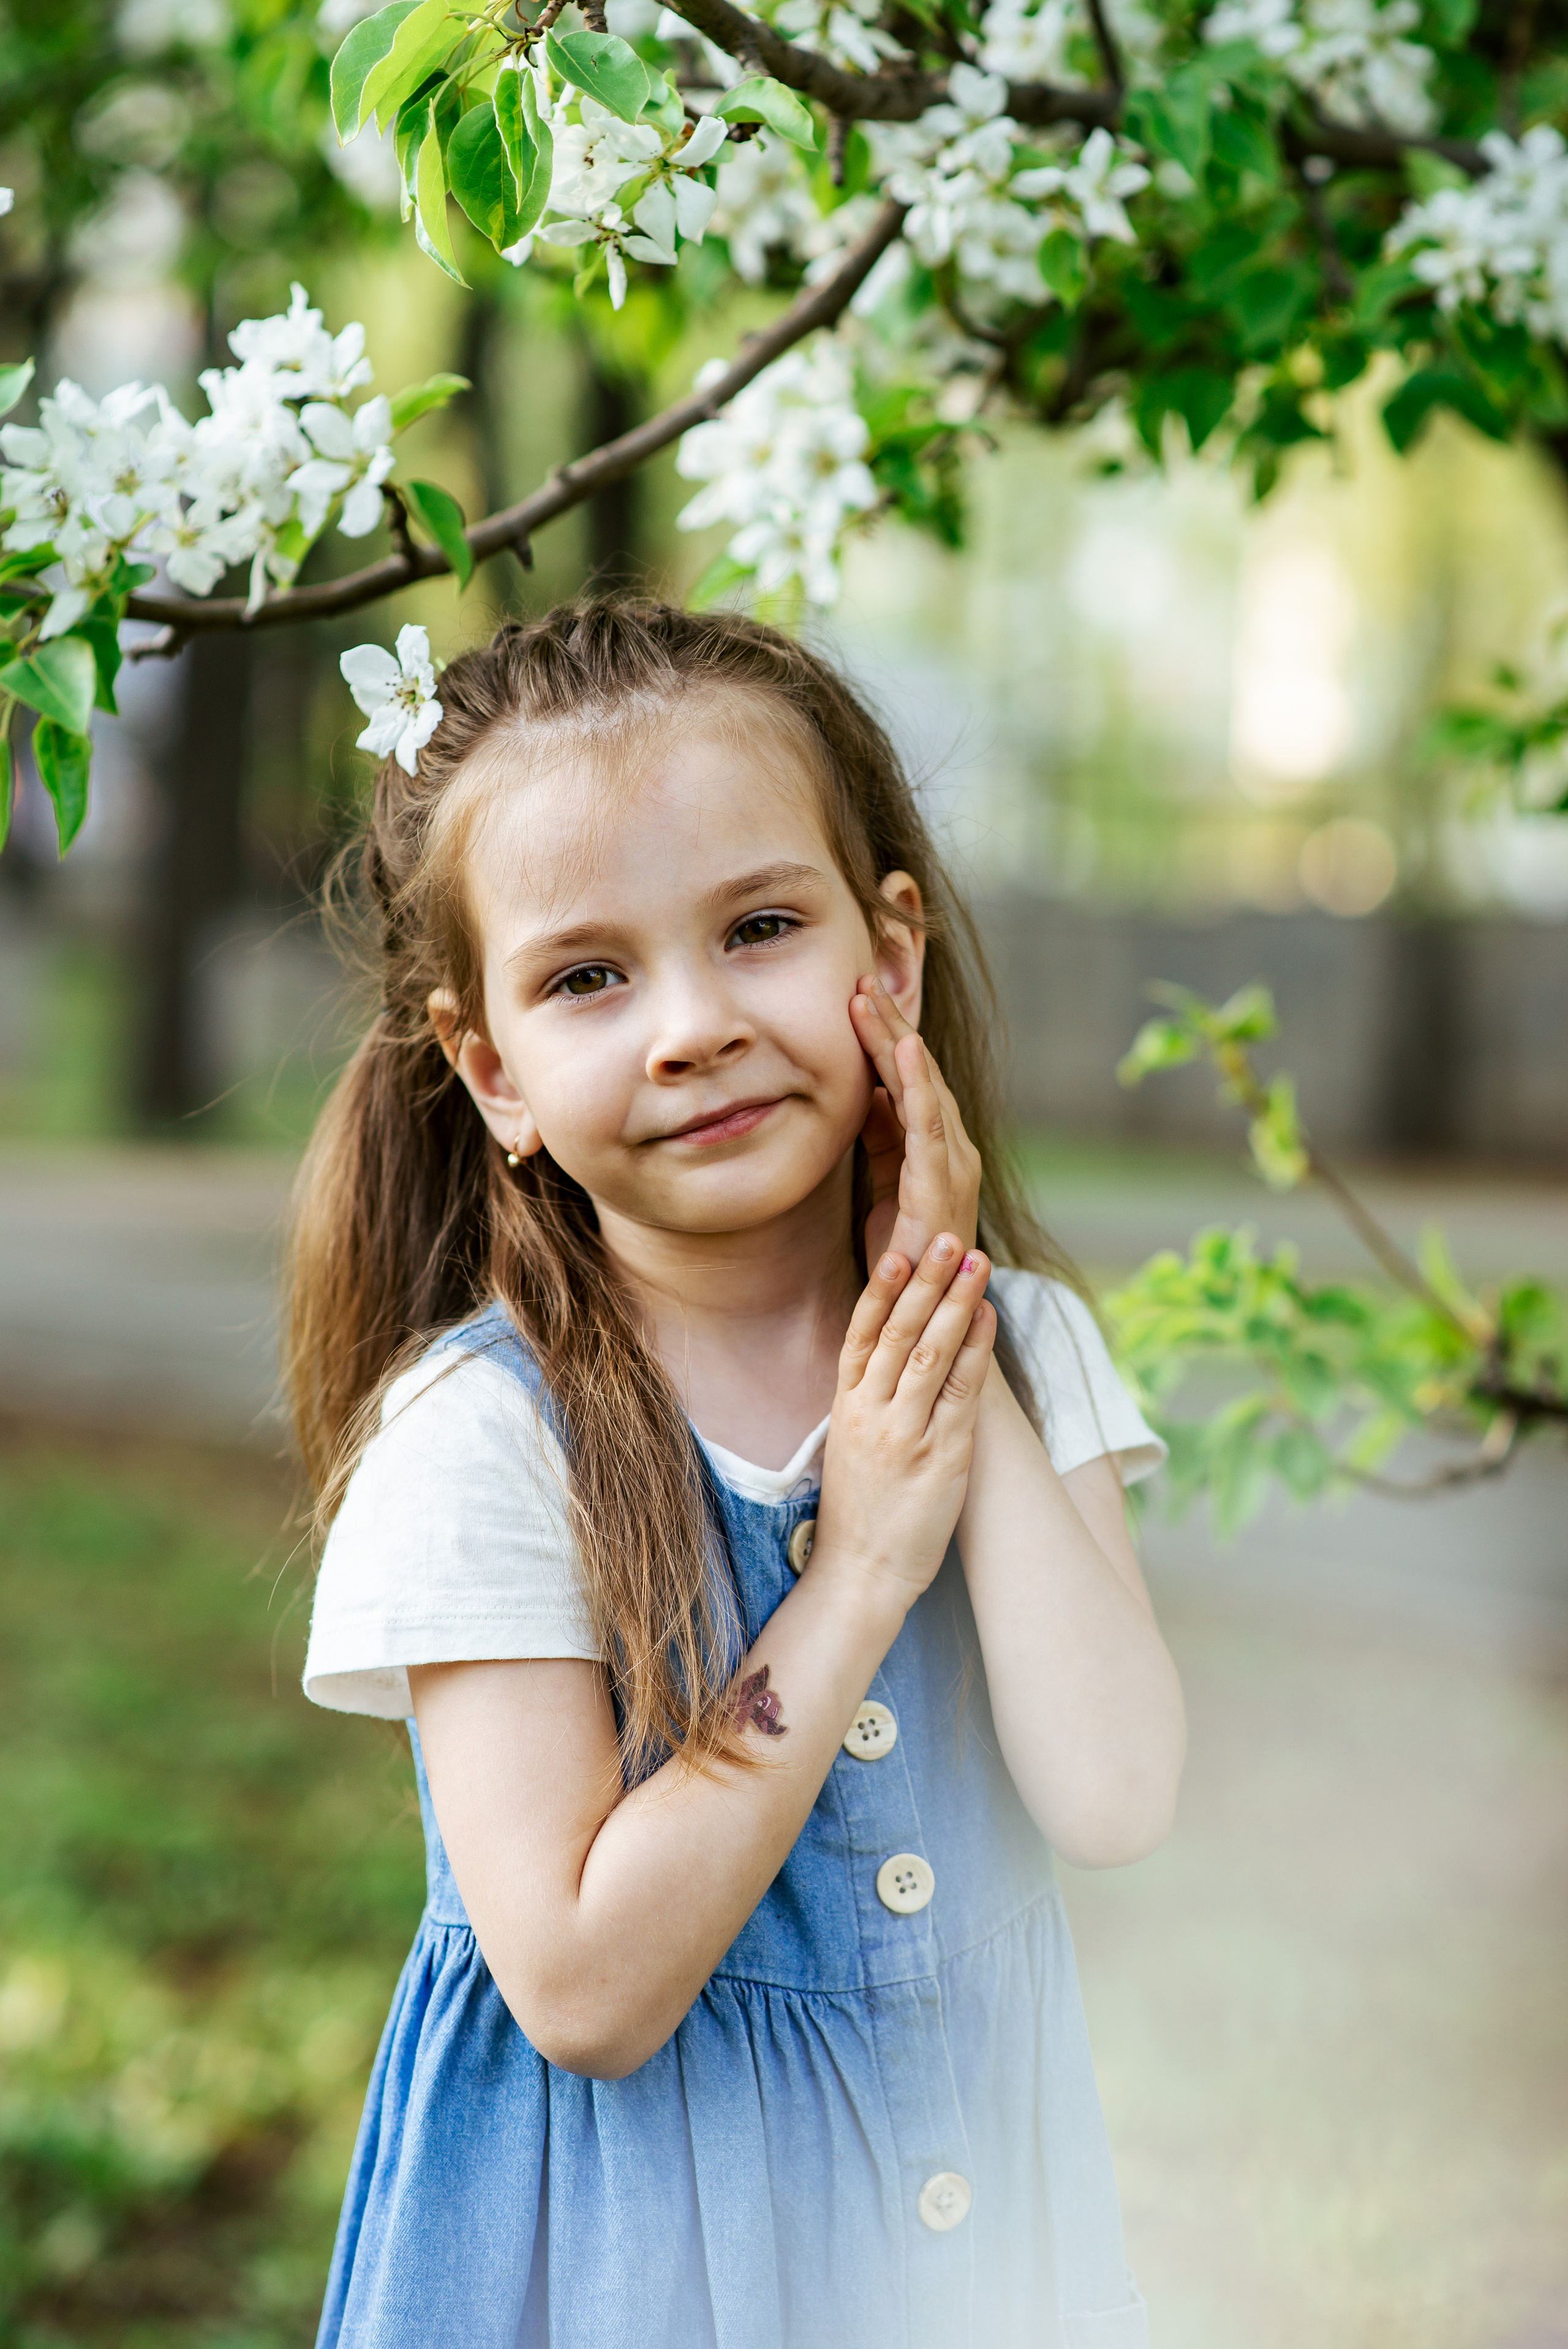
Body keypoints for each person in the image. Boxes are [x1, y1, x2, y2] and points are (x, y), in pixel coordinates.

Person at [290, 599, 1186, 2349]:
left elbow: (1115, 1790)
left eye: (761, 926)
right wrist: (854, 1577)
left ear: (894, 958)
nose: (691, 1024)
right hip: (615, 2281)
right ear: (495, 1071)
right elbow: (585, 1984)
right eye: (588, 976)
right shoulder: (485, 1440)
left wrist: (942, 1330)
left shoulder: (1029, 1351)